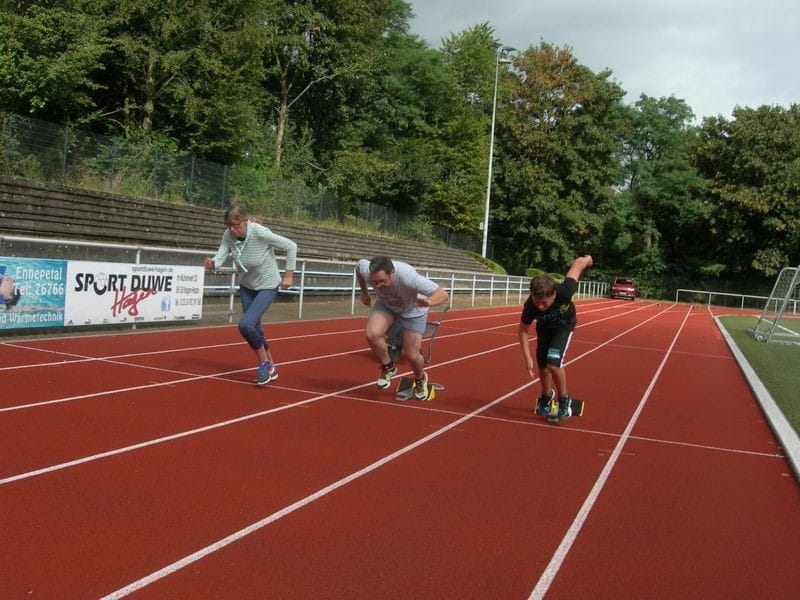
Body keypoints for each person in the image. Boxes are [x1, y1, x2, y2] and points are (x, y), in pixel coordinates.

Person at [204, 204, 297, 385]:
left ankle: (264, 365)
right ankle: (271, 366)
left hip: (267, 285)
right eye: (229, 226)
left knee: (246, 325)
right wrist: (213, 263)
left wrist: (288, 274)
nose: (232, 229)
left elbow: (291, 246)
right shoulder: (228, 235)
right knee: (256, 329)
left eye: (235, 225)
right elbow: (221, 254)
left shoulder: (259, 233)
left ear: (245, 221)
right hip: (247, 285)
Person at [356, 256, 449, 400]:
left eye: (382, 281)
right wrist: (364, 292)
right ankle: (389, 368)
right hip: (387, 306)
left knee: (412, 355)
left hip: (413, 311)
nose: (378, 285)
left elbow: (443, 294)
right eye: (374, 282)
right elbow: (358, 268)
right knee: (372, 335)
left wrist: (428, 301)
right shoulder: (365, 268)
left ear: (392, 273)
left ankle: (420, 379)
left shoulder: (407, 276)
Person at [517, 255, 593, 422]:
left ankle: (564, 399)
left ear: (553, 294)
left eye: (544, 302)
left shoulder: (565, 290)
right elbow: (522, 331)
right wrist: (527, 357)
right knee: (543, 367)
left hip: (564, 325)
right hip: (544, 328)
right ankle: (546, 396)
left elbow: (578, 264)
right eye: (537, 302)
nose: (541, 306)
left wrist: (588, 259)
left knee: (553, 361)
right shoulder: (530, 306)